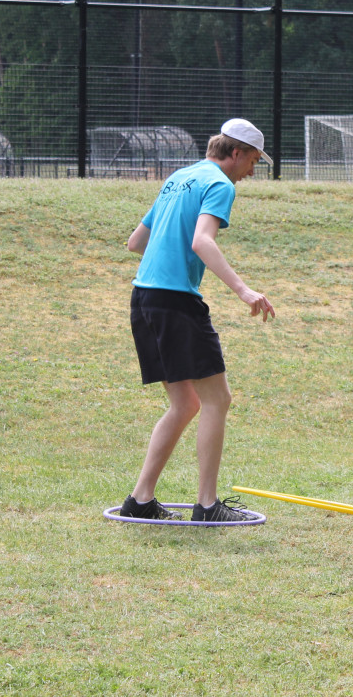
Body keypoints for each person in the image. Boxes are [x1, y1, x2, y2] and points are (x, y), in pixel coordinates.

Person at [118, 118, 276, 522]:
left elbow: (136, 242)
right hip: (175, 304)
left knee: (185, 403)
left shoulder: (179, 178)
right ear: (236, 153)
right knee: (216, 400)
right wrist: (244, 290)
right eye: (254, 161)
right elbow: (202, 240)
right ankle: (207, 506)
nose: (252, 172)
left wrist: (168, 261)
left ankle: (140, 500)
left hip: (144, 299)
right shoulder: (219, 185)